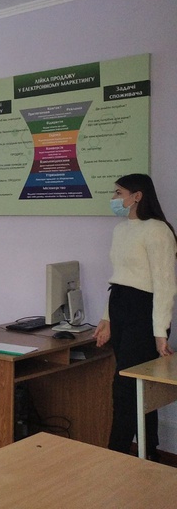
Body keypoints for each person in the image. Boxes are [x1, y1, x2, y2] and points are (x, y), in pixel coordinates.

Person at [93, 174, 177, 459]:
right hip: (120, 304)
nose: (114, 198)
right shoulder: (121, 230)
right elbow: (119, 278)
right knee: (139, 388)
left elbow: (165, 285)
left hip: (144, 312)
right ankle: (148, 452)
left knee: (126, 386)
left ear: (137, 196)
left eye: (119, 193)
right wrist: (106, 318)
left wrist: (160, 332)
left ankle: (115, 454)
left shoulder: (158, 230)